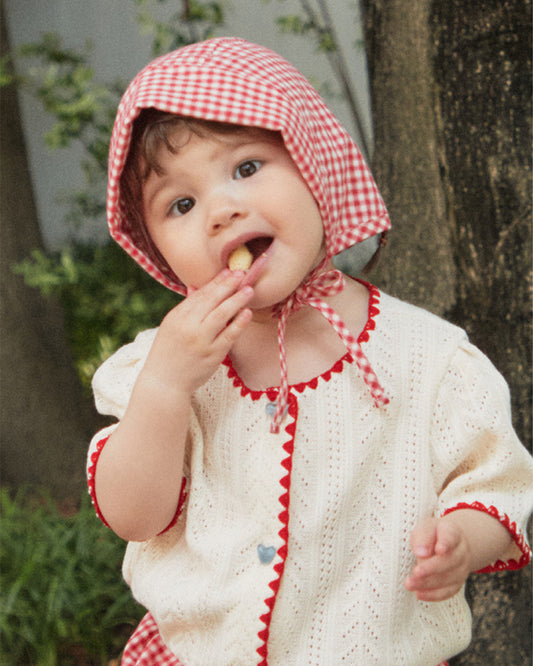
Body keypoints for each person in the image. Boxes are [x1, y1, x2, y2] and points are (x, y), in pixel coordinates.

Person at [86, 38, 532, 666]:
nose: (220, 210)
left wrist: (462, 539)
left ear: (313, 165)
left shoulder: (428, 359)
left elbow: (498, 486)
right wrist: (164, 389)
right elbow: (133, 516)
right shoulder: (163, 365)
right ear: (156, 249)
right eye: (180, 205)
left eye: (246, 168)